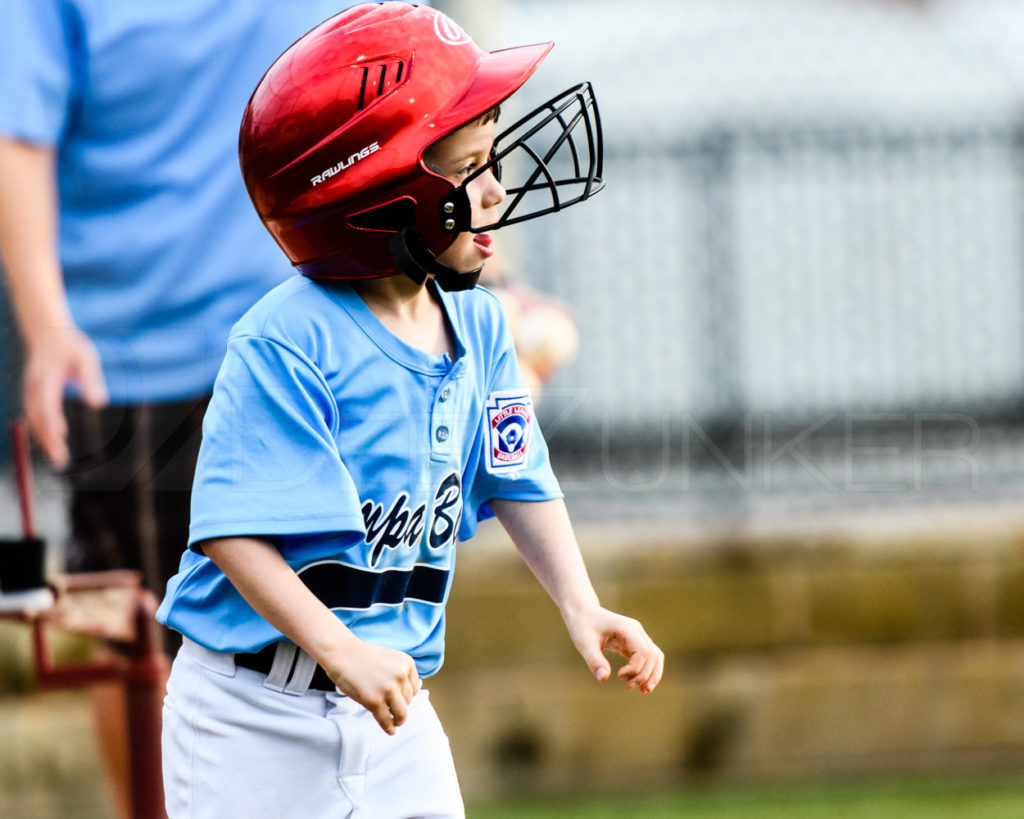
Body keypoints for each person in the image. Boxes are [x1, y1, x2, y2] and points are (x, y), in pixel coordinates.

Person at [155, 4, 665, 817]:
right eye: (468, 169)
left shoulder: (481, 322)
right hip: (248, 717)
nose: (495, 190)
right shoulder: (286, 340)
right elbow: (230, 531)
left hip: (394, 708)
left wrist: (580, 600)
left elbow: (519, 474)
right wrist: (339, 648)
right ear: (379, 199)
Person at [0, 2, 380, 816]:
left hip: (306, 332)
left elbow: (383, 83)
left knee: (351, 616)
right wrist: (48, 325)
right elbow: (16, 136)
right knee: (141, 642)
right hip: (132, 364)